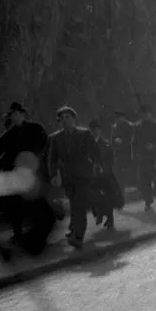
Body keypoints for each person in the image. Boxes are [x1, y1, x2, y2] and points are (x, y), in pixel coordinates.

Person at [0, 102, 48, 244]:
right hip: (16, 173)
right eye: (12, 115)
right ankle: (17, 232)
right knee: (14, 204)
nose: (14, 117)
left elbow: (44, 145)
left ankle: (40, 229)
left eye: (16, 114)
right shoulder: (8, 135)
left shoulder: (35, 129)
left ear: (23, 114)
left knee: (35, 201)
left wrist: (36, 159)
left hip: (33, 171)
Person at [48, 106, 101, 250]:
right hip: (68, 177)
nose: (65, 120)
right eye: (62, 118)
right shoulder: (56, 138)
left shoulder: (84, 133)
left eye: (68, 117)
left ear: (74, 119)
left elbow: (95, 151)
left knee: (79, 205)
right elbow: (52, 159)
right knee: (74, 204)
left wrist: (96, 164)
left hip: (84, 175)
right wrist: (54, 174)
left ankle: (78, 237)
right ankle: (77, 229)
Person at [89, 118, 123, 231]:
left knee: (109, 196)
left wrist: (104, 168)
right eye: (93, 130)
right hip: (92, 175)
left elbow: (111, 159)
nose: (96, 132)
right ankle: (99, 213)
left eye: (97, 129)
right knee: (93, 196)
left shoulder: (105, 143)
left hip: (105, 175)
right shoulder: (86, 144)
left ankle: (110, 219)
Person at [132, 105, 156, 211]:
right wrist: (135, 156)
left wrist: (154, 146)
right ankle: (148, 200)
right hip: (143, 158)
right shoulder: (137, 126)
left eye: (147, 113)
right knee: (144, 182)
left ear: (151, 114)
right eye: (143, 114)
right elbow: (134, 142)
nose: (145, 116)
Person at [110, 110, 134, 193]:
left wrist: (122, 141)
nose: (118, 119)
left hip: (127, 154)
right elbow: (112, 140)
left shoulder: (130, 126)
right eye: (117, 118)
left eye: (119, 117)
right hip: (117, 155)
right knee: (118, 176)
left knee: (125, 176)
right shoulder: (114, 127)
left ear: (123, 117)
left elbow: (130, 139)